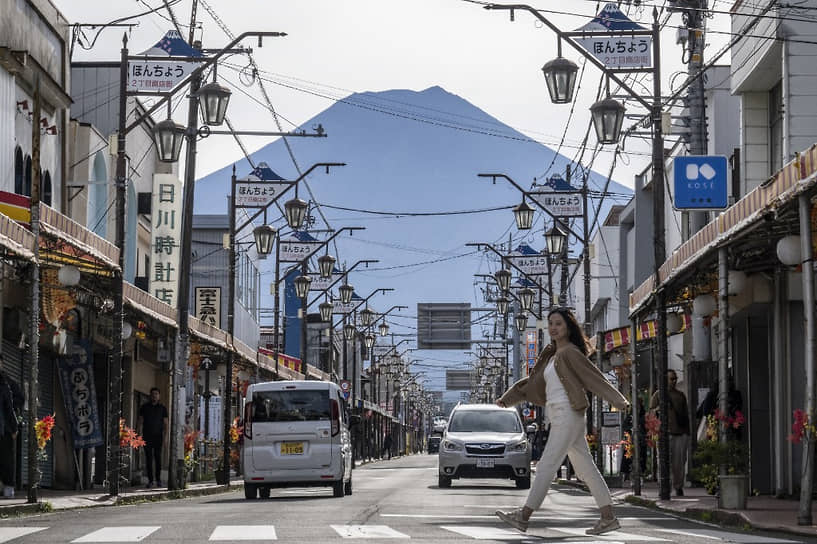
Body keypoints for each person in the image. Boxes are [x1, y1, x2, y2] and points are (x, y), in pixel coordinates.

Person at [494, 308, 630, 535]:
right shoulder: (552, 354)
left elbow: (593, 377)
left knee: (547, 464)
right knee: (585, 467)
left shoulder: (570, 353)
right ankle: (608, 517)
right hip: (559, 415)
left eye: (558, 323)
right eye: (550, 324)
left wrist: (619, 400)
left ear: (568, 326)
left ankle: (524, 515)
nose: (553, 328)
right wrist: (509, 399)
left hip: (569, 413)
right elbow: (534, 383)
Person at [650, 369, 690, 496]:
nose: (673, 381)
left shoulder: (680, 395)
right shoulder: (658, 395)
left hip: (680, 432)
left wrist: (687, 433)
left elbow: (686, 415)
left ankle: (678, 486)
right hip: (664, 434)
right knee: (663, 461)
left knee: (679, 462)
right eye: (671, 379)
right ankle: (664, 486)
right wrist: (659, 409)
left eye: (675, 378)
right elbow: (650, 413)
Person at [0, 355, 22, 498]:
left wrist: (13, 427)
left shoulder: (5, 383)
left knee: (6, 459)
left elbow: (10, 406)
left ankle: (8, 488)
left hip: (4, 429)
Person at [138, 387, 168, 488]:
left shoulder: (162, 408)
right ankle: (150, 481)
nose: (154, 396)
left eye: (156, 394)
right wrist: (139, 436)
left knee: (158, 458)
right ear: (150, 395)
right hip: (147, 436)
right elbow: (140, 422)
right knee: (148, 459)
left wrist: (165, 438)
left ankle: (158, 480)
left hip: (158, 437)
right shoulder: (144, 407)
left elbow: (165, 424)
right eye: (153, 394)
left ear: (159, 396)